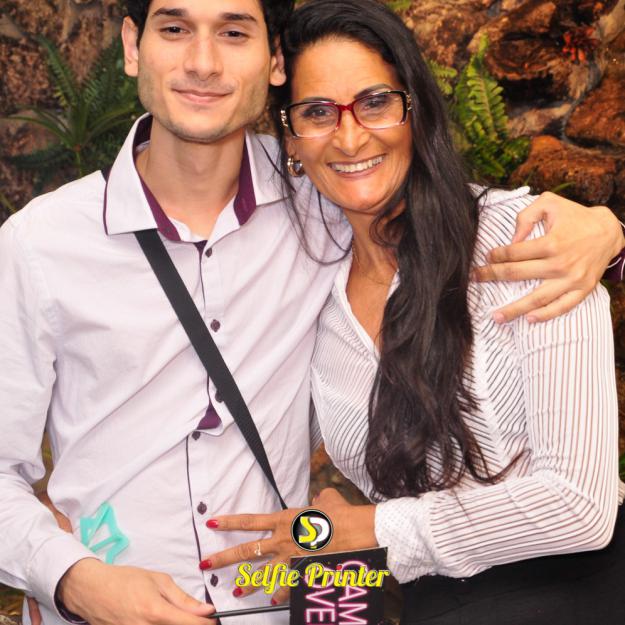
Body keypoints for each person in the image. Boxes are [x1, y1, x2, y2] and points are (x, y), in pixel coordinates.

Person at [1, 2, 624, 625]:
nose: (202, 62)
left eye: (234, 32)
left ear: (272, 58)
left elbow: (451, 208)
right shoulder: (41, 245)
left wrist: (607, 233)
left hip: (284, 605)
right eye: (174, 29)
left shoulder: (329, 204)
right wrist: (71, 579)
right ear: (133, 45)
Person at [200, 1, 625, 623]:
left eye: (375, 102)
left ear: (415, 109)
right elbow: (329, 525)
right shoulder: (310, 296)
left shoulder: (522, 237)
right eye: (317, 113)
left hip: (578, 599)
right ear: (290, 140)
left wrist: (370, 529)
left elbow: (579, 508)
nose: (349, 138)